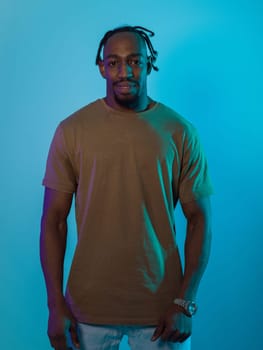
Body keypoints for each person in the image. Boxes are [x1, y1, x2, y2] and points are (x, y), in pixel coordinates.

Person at [40, 25, 213, 350]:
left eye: (134, 60)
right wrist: (54, 305)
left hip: (162, 312)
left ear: (150, 63)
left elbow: (200, 220)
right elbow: (54, 221)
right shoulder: (72, 130)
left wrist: (184, 302)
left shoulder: (179, 132)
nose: (124, 71)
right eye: (114, 62)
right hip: (86, 311)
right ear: (102, 66)